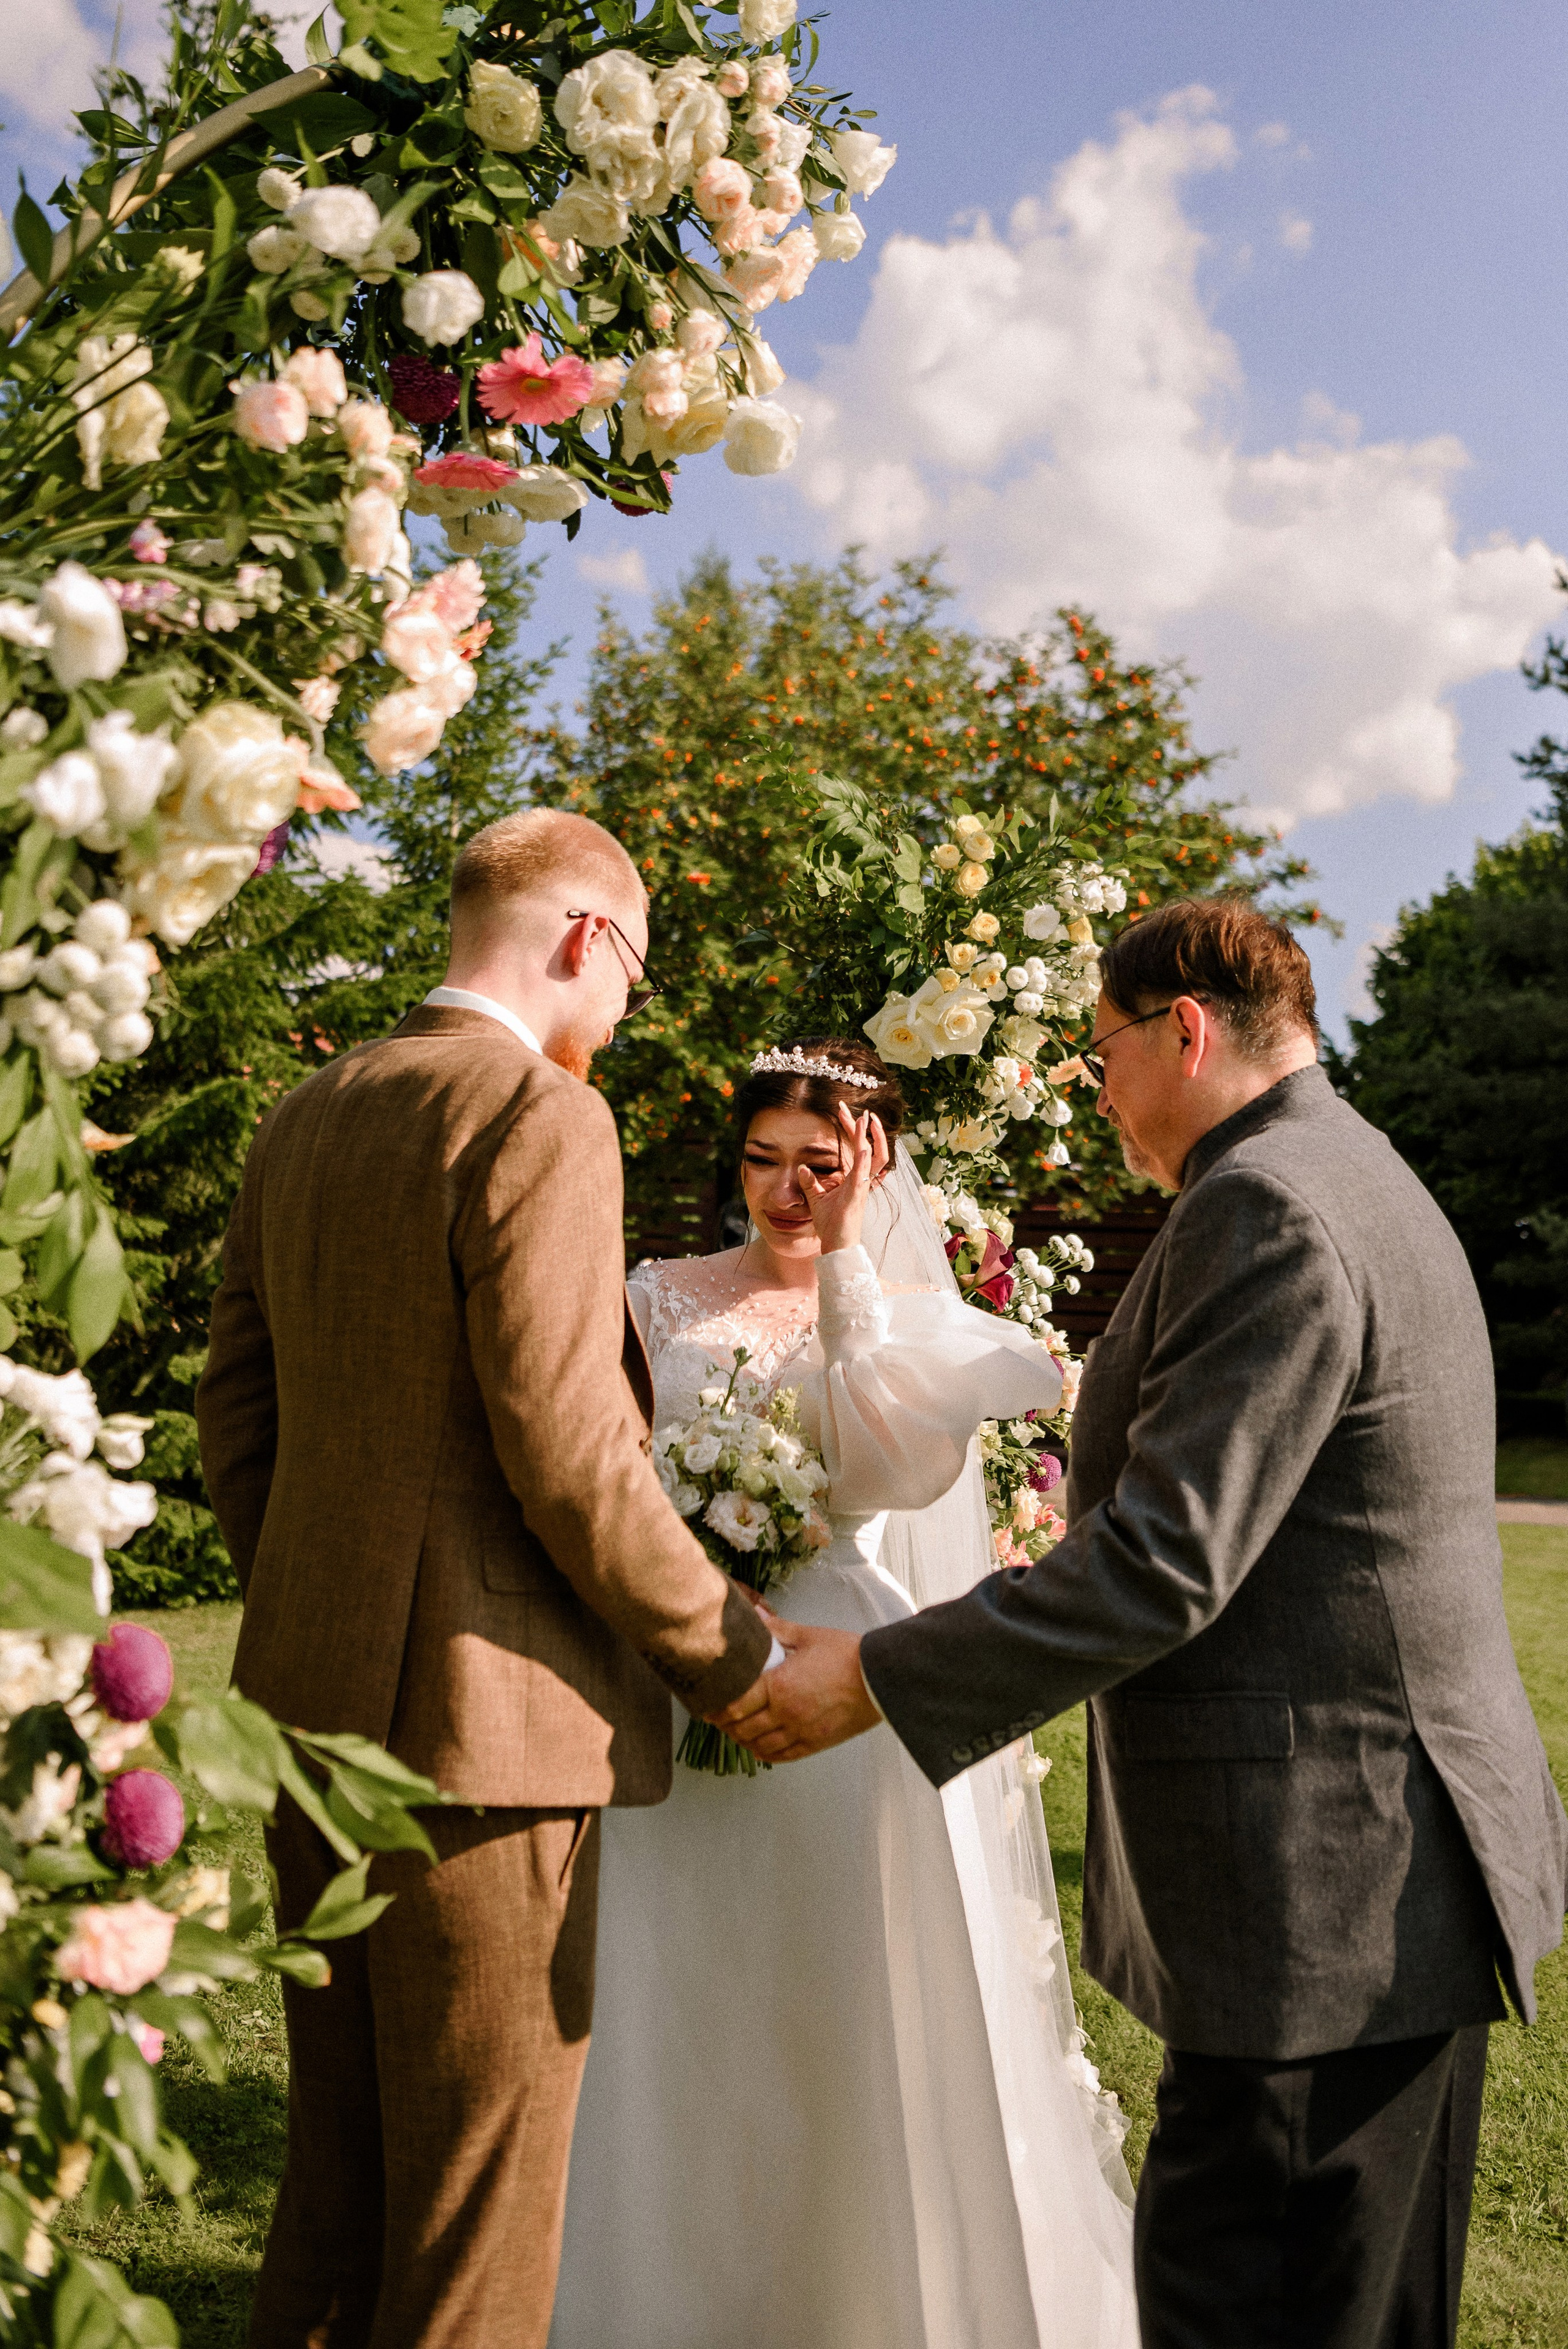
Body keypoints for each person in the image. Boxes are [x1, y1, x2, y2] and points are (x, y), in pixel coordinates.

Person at [727, 900, 1568, 2349]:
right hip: (1380, 1870)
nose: (1095, 1087)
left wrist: (875, 1675)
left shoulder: (1266, 1204)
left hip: (1318, 1890)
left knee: (1247, 2301)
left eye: (1103, 1051)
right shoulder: (1346, 1168)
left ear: (1183, 1027)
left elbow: (1165, 1559)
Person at [197, 809, 772, 2349]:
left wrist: (319, 1610)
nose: (625, 1013)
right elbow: (574, 1451)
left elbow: (234, 1419)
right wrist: (739, 1657)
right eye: (633, 976)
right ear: (587, 936)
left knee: (335, 2201)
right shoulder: (542, 1116)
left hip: (309, 1732)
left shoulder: (307, 1109)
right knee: (474, 2225)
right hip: (490, 1753)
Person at [550, 1039, 1140, 2349]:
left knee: (850, 2007)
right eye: (761, 1161)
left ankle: (861, 2302)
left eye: (818, 1165)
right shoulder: (654, 1294)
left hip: (845, 1680)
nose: (785, 1191)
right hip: (684, 1667)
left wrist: (852, 1282)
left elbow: (879, 1472)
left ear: (871, 1165)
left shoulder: (911, 1317)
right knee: (684, 1996)